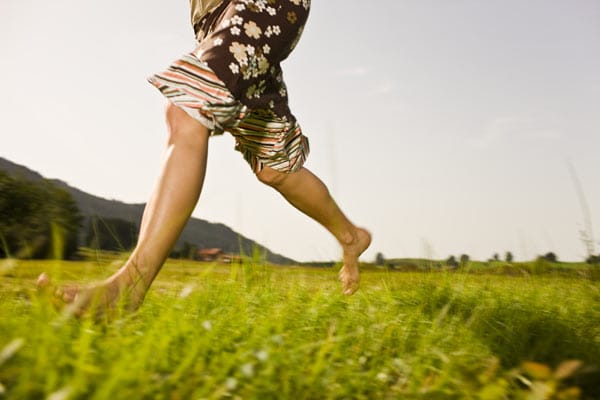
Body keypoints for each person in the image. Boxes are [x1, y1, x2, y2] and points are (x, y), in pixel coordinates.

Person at [37, 0, 371, 316]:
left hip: (259, 7)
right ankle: (350, 236)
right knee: (274, 167)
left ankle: (127, 288)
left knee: (189, 109)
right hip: (216, 20)